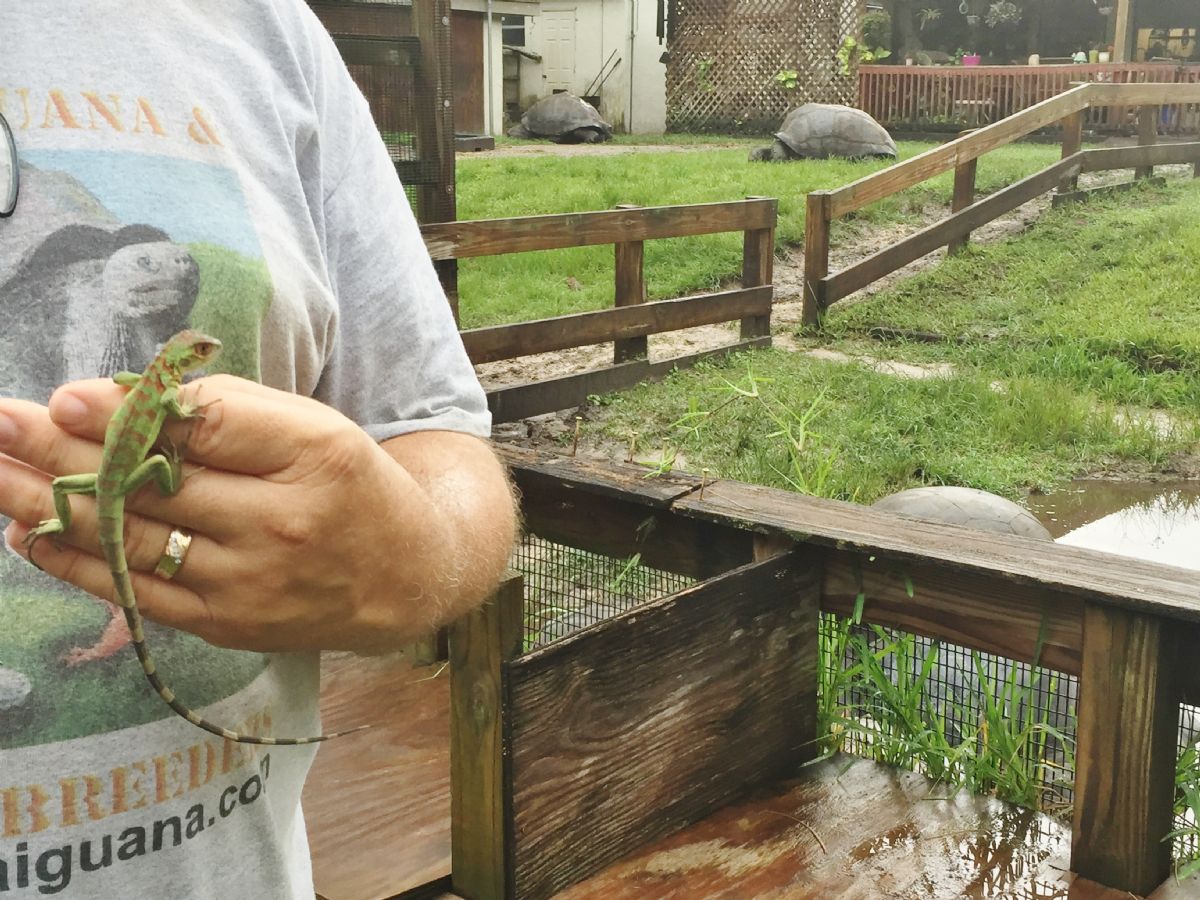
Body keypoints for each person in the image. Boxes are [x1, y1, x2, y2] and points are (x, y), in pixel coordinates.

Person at [0, 2, 517, 897]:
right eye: (194, 353)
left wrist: (412, 559)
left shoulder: (269, 28)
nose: (202, 347)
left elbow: (437, 428)